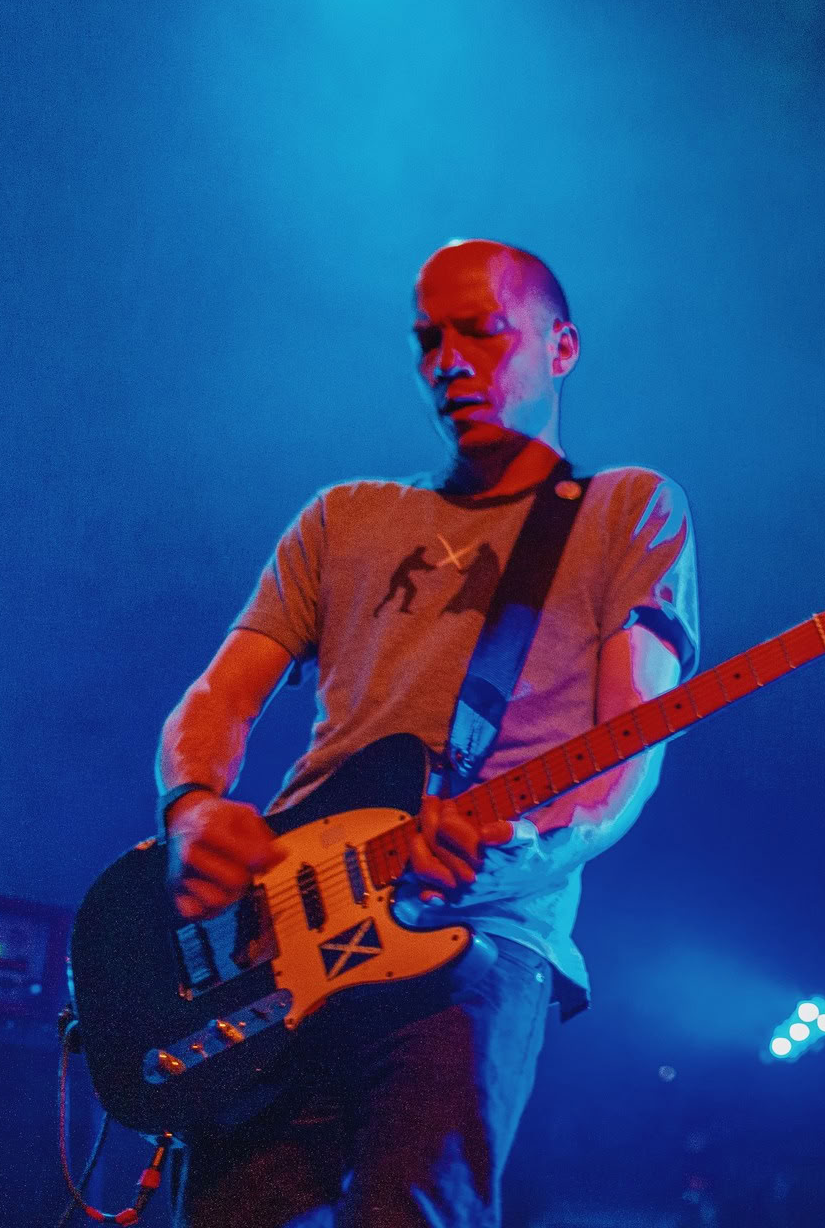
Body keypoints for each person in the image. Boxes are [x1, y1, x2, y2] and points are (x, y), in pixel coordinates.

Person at [155, 239, 698, 1227]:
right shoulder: (344, 516)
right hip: (285, 930)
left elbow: (628, 748)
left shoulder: (627, 510)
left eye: (481, 332)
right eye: (428, 340)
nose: (448, 361)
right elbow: (218, 696)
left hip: (480, 939)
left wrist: (516, 844)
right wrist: (194, 809)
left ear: (562, 346)